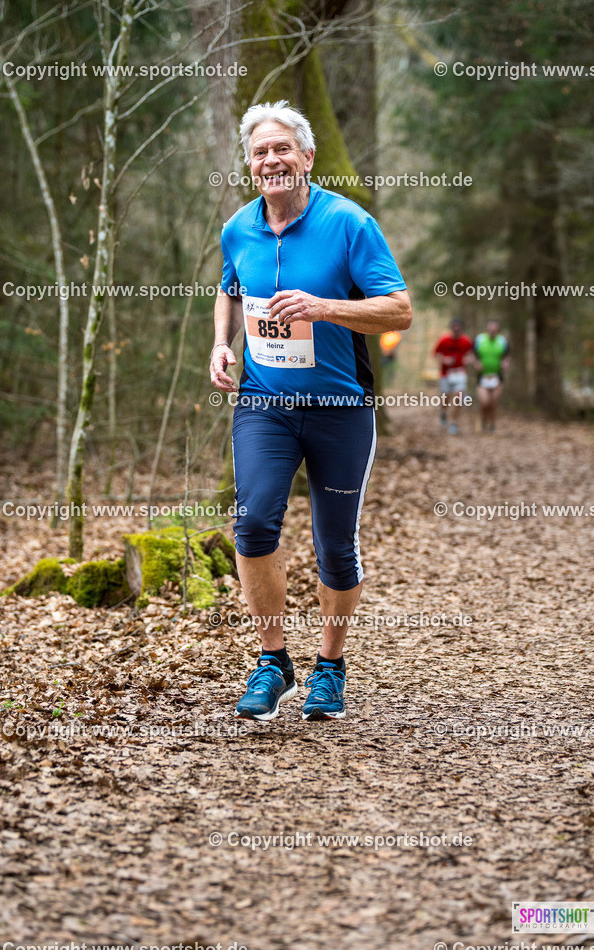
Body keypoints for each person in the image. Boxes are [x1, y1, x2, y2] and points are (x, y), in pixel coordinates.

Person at [209, 100, 411, 722]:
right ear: (250, 164)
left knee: (336, 547)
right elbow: (229, 286)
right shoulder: (239, 227)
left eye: (281, 149)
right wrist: (221, 343)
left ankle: (331, 669)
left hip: (340, 408)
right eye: (260, 152)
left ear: (306, 158)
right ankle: (274, 661)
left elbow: (399, 310)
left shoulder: (349, 224)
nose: (271, 160)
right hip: (265, 405)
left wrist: (325, 307)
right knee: (253, 525)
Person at [433, 318, 473, 434]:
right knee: (445, 398)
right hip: (446, 374)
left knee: (458, 397)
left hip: (460, 373)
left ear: (461, 329)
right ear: (451, 328)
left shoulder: (466, 341)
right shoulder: (444, 340)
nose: (456, 330)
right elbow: (436, 354)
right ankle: (443, 412)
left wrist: (468, 359)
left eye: (458, 328)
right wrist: (445, 360)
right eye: (454, 328)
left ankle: (454, 423)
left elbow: (470, 354)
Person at [473, 319, 510, 432]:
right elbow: (472, 354)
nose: (493, 332)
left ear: (497, 330)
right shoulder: (480, 339)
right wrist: (476, 363)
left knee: (493, 402)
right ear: (487, 329)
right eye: (491, 329)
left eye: (495, 330)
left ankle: (492, 424)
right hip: (482, 376)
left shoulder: (502, 341)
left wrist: (505, 362)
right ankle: (483, 421)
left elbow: (507, 355)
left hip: (497, 376)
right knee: (485, 402)